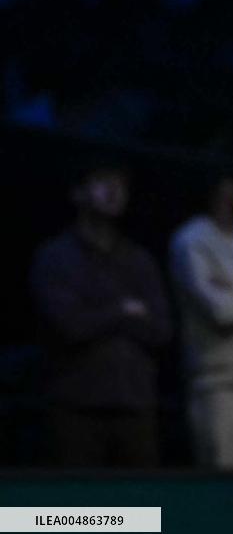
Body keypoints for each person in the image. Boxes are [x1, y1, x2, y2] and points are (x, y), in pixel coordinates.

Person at [29, 161, 172, 467]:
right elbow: (70, 327)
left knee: (142, 507)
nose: (113, 190)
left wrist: (101, 316)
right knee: (79, 507)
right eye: (102, 181)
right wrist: (125, 310)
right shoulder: (55, 257)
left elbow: (161, 330)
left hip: (135, 403)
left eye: (120, 184)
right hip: (76, 404)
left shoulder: (139, 259)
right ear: (78, 193)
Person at [170, 174, 233, 470]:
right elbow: (220, 312)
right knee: (223, 483)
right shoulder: (193, 240)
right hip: (220, 384)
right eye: (227, 185)